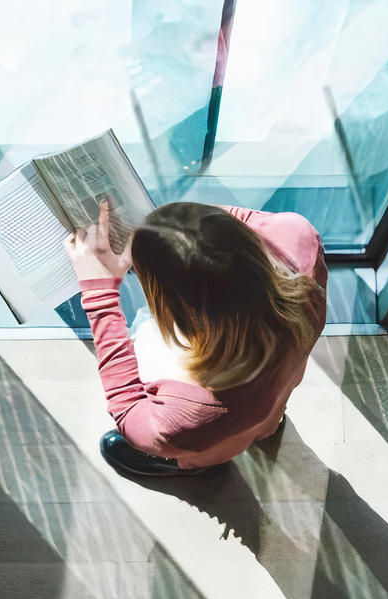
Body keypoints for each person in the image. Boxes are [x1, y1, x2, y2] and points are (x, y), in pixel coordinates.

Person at [64, 200, 326, 476]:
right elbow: (223, 222)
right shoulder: (297, 234)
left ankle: (191, 465)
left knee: (198, 445)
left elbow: (129, 412)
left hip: (214, 433)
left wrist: (99, 293)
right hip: (276, 385)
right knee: (266, 411)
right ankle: (269, 426)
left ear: (181, 307)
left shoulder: (191, 412)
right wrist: (162, 232)